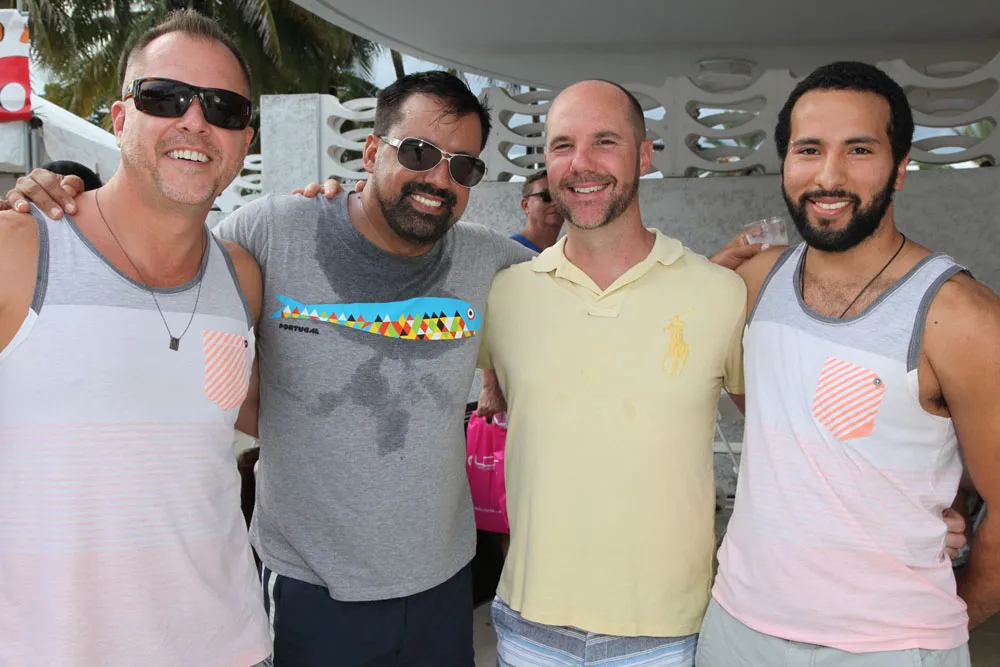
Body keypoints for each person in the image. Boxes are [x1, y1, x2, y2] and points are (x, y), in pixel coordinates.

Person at [697, 61, 1000, 666]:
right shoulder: (753, 282)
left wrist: (950, 616)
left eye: (859, 149)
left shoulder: (962, 316)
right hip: (737, 631)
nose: (828, 175)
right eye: (809, 149)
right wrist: (703, 279)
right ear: (785, 162)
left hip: (892, 645)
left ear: (900, 167)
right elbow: (779, 424)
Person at [0, 10, 270, 667]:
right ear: (121, 118)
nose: (195, 121)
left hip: (231, 647)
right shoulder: (20, 251)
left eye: (223, 108)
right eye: (164, 97)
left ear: (245, 140)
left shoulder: (243, 278)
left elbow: (241, 419)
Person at [472, 78, 748, 667]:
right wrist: (334, 213)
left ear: (644, 156)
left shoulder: (721, 294)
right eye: (562, 145)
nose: (581, 163)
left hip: (668, 637)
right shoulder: (504, 293)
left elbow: (787, 443)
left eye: (605, 141)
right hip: (530, 631)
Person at [511, 169, 564, 252]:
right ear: (526, 205)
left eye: (560, 196)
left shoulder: (565, 254)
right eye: (546, 196)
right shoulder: (511, 250)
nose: (555, 203)